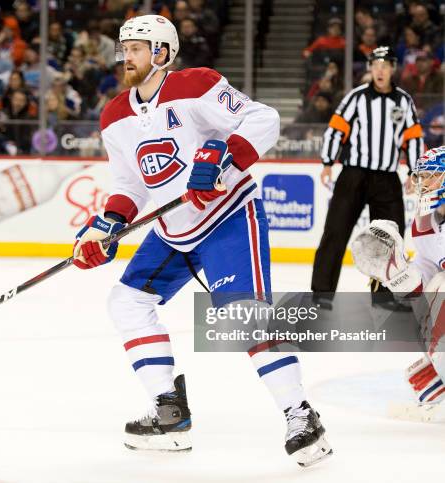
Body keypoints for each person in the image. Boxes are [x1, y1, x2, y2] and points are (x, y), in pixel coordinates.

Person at [71, 15, 332, 466]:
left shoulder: (197, 85)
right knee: (126, 302)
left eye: (136, 47)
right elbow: (130, 186)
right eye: (124, 47)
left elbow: (263, 118)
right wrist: (108, 224)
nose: (126, 55)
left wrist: (223, 159)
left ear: (162, 53)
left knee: (245, 316)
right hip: (173, 232)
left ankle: (301, 415)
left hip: (229, 216)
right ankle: (169, 412)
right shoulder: (114, 116)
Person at [313, 46, 425, 309]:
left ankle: (383, 297)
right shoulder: (356, 97)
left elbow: (414, 138)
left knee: (390, 239)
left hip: (387, 179)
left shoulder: (403, 101)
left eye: (385, 65)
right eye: (376, 65)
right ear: (370, 69)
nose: (380, 70)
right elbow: (336, 129)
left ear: (392, 69)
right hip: (354, 175)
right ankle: (321, 294)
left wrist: (414, 171)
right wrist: (328, 162)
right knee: (336, 232)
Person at [351, 146, 445, 412]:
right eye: (421, 176)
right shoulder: (424, 224)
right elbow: (424, 283)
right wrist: (397, 274)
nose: (422, 183)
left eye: (431, 176)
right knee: (434, 296)